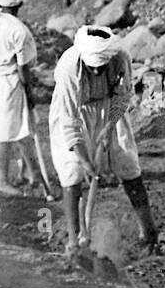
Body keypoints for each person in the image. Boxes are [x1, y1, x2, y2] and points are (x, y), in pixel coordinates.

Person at [49, 25, 158, 256]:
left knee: (128, 165)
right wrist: (85, 160)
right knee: (72, 172)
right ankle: (74, 240)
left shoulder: (120, 58)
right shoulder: (69, 68)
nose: (97, 73)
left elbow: (123, 96)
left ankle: (149, 232)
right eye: (93, 68)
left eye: (102, 67)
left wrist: (109, 129)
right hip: (77, 111)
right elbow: (68, 121)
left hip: (110, 109)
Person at [0, 0, 52, 198]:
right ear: (18, 4)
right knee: (5, 131)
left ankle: (34, 175)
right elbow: (23, 69)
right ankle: (2, 181)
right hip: (9, 83)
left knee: (22, 128)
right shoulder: (19, 30)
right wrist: (29, 93)